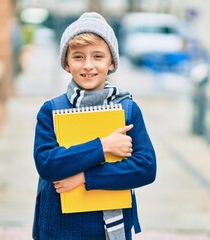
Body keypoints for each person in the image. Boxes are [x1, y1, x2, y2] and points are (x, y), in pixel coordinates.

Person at [32, 12, 157, 240]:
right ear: (67, 64)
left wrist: (85, 178)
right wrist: (104, 145)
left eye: (97, 56)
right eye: (78, 57)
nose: (88, 65)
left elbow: (145, 168)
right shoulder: (51, 110)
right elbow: (48, 164)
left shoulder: (127, 110)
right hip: (59, 227)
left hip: (108, 230)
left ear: (111, 62)